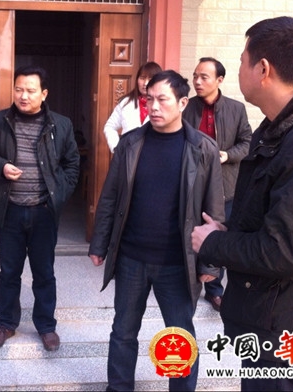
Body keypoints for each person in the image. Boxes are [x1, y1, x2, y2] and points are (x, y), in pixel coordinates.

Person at [191, 16, 293, 391]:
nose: (240, 70)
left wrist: (214, 243)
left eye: (242, 61)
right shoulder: (281, 128)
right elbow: (278, 221)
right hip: (269, 315)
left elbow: (286, 250)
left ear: (263, 69)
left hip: (289, 325)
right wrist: (228, 230)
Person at [89, 70, 225, 391]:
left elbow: (214, 212)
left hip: (177, 262)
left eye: (162, 100)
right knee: (123, 331)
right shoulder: (131, 143)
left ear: (182, 103)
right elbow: (110, 197)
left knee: (179, 335)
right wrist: (99, 243)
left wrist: (209, 264)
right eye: (149, 99)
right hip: (131, 258)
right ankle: (119, 387)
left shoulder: (203, 149)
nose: (153, 107)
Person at [0, 65, 80, 352]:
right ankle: (6, 324)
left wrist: (60, 195)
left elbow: (72, 164)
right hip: (9, 210)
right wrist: (1, 166)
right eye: (19, 89)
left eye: (31, 91)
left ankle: (46, 326)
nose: (23, 96)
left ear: (44, 94)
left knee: (44, 272)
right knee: (9, 271)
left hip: (44, 211)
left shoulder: (61, 124)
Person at [183, 57, 252, 311]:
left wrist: (228, 155)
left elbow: (247, 142)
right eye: (195, 76)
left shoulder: (236, 109)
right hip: (191, 183)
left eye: (204, 77)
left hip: (224, 185)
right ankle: (187, 283)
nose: (197, 82)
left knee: (218, 235)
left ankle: (215, 290)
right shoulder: (187, 107)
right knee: (189, 234)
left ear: (219, 80)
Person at [103, 61, 163, 152]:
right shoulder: (126, 102)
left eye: (150, 79)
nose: (145, 83)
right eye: (142, 78)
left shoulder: (164, 105)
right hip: (128, 155)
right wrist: (117, 149)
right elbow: (110, 127)